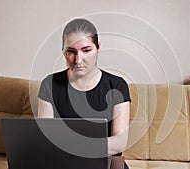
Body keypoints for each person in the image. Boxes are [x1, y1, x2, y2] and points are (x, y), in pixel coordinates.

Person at [37, 18, 131, 169]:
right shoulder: (49, 84)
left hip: (105, 164)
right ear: (63, 51)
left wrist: (73, 144)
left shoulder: (117, 85)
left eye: (86, 50)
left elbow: (119, 142)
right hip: (64, 163)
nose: (78, 60)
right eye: (71, 52)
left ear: (98, 47)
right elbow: (45, 138)